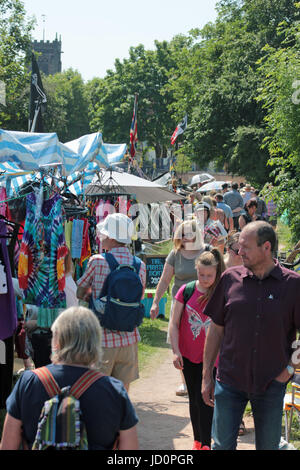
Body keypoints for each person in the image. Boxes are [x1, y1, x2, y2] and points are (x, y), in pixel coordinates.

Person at [202, 221, 300, 450]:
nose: (239, 252)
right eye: (238, 247)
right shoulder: (229, 278)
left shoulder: (293, 285)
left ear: (266, 247)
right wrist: (207, 375)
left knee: (268, 447)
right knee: (221, 446)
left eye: (245, 247)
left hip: (271, 384)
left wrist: (289, 369)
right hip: (229, 381)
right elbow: (215, 329)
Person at [0, 306, 139, 450]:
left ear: (57, 341)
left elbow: (7, 445)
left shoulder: (28, 382)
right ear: (96, 343)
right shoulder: (114, 390)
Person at [76, 213, 146, 393]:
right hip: (129, 338)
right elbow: (140, 296)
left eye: (104, 234)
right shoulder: (139, 264)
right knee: (122, 392)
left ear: (112, 237)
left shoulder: (97, 261)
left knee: (98, 391)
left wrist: (90, 296)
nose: (101, 237)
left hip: (103, 338)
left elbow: (80, 290)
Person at [169, 249, 225, 450]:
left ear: (216, 272)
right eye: (201, 274)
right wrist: (176, 351)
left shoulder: (221, 293)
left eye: (209, 275)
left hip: (214, 358)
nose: (205, 279)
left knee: (208, 398)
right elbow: (174, 323)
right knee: (194, 398)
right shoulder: (186, 290)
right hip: (189, 356)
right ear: (196, 270)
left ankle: (207, 443)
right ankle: (198, 440)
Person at [150, 220, 206, 397]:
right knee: (181, 341)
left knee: (204, 339)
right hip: (181, 303)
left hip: (204, 302)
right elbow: (165, 279)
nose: (184, 237)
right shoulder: (175, 254)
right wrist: (155, 301)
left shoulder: (207, 251)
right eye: (181, 234)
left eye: (187, 234)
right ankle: (186, 381)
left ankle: (206, 377)